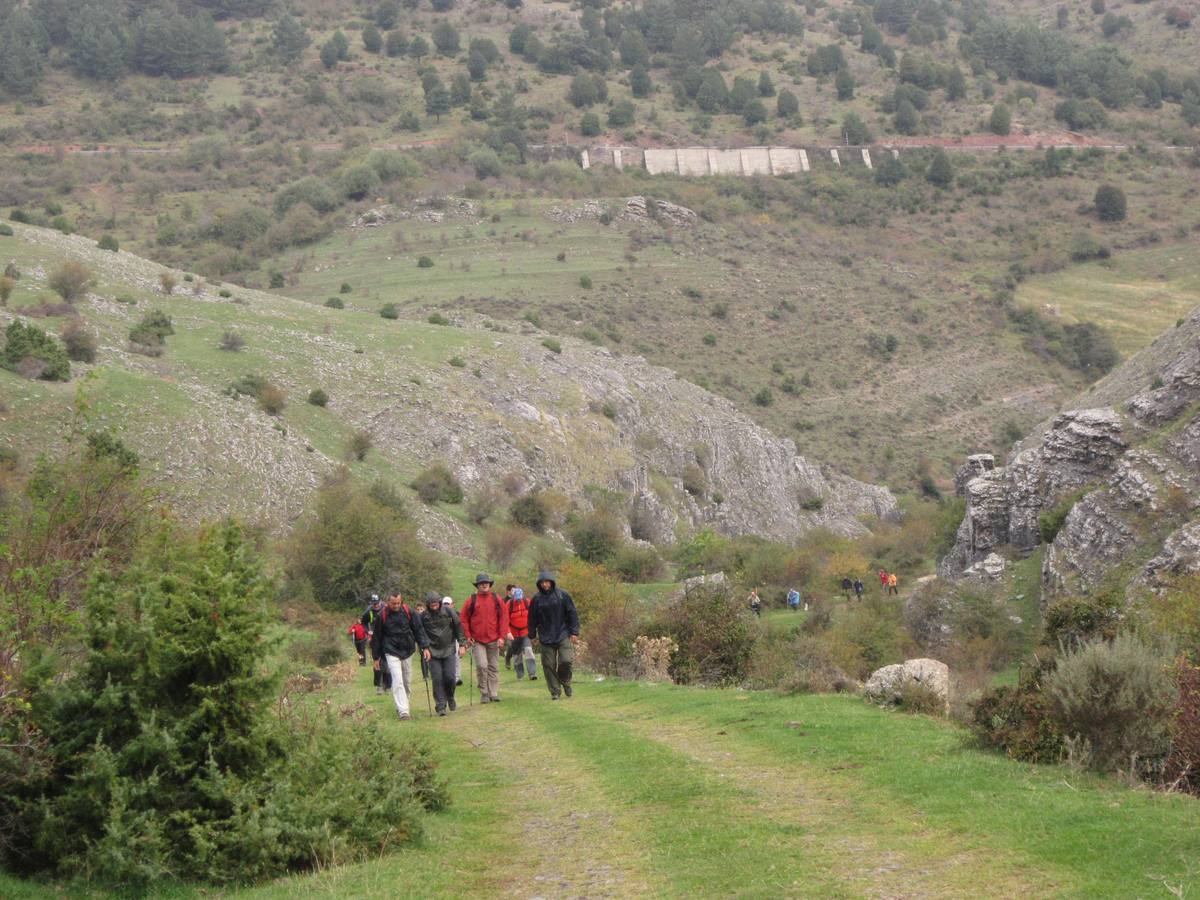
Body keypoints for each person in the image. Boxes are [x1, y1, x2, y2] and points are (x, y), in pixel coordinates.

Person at [370, 590, 431, 721]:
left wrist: (425, 647)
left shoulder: (409, 612)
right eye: (393, 603)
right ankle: (404, 711)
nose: (396, 606)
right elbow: (377, 638)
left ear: (401, 601)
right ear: (388, 602)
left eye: (398, 603)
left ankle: (403, 704)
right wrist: (376, 657)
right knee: (397, 680)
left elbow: (419, 629)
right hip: (390, 650)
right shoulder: (382, 616)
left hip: (408, 649)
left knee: (407, 681)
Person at [528, 570, 580, 700]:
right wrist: (532, 635)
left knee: (566, 661)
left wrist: (574, 632)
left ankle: (566, 682)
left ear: (552, 582)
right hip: (545, 637)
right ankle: (555, 691)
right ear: (539, 584)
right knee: (548, 665)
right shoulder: (536, 599)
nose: (545, 584)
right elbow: (532, 618)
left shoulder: (563, 595)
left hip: (563, 633)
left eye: (547, 582)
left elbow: (572, 613)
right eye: (542, 582)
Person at [462, 573, 509, 704]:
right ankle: (484, 693)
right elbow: (464, 619)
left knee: (493, 666)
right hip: (477, 641)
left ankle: (493, 693)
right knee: (482, 666)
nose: (484, 585)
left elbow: (504, 618)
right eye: (481, 583)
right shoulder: (471, 600)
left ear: (489, 584)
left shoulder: (496, 598)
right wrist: (468, 636)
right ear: (477, 586)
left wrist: (502, 637)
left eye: (486, 583)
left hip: (494, 640)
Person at [420, 591, 466, 716]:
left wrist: (462, 644)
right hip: (432, 651)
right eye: (431, 605)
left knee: (450, 677)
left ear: (439, 603)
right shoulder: (423, 616)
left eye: (436, 604)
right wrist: (424, 647)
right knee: (437, 678)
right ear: (428, 605)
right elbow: (420, 633)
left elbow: (458, 626)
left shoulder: (449, 612)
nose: (434, 607)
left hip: (449, 648)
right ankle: (440, 705)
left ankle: (450, 696)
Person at [506, 585, 538, 681]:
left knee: (528, 651)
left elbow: (533, 616)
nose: (519, 600)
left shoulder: (527, 602)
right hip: (514, 634)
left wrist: (534, 629)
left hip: (525, 632)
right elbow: (505, 620)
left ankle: (532, 673)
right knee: (517, 655)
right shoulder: (509, 604)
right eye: (517, 599)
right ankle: (520, 675)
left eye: (520, 598)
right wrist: (508, 632)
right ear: (513, 597)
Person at [363, 594, 391, 694]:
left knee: (388, 663)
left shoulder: (386, 609)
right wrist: (367, 631)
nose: (376, 605)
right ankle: (379, 686)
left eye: (377, 603)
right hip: (375, 640)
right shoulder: (368, 611)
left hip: (386, 638)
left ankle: (388, 686)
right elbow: (363, 622)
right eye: (374, 604)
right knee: (377, 662)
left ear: (380, 601)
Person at [444, 597, 462, 685]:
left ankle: (457, 678)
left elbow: (461, 628)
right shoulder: (439, 615)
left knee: (456, 657)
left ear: (452, 604)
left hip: (455, 639)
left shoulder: (457, 614)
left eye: (448, 604)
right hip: (444, 641)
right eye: (445, 604)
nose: (446, 606)